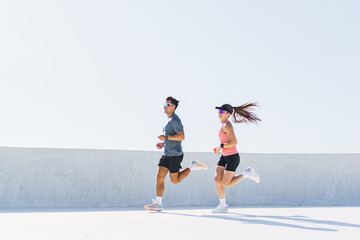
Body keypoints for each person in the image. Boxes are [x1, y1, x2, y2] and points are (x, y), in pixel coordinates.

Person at [144, 96, 208, 212]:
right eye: (165, 104)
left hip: (175, 155)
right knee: (159, 177)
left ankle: (193, 166)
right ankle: (158, 204)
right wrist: (163, 144)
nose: (165, 106)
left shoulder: (175, 120)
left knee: (175, 180)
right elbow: (171, 138)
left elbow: (182, 136)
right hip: (166, 154)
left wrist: (166, 137)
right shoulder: (168, 120)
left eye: (167, 105)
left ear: (173, 107)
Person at [212, 102, 261, 213]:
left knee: (226, 183)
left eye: (222, 112)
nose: (219, 113)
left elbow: (234, 142)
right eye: (219, 111)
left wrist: (221, 146)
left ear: (228, 114)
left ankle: (247, 173)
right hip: (224, 156)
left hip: (232, 157)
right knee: (217, 180)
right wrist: (218, 147)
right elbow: (224, 141)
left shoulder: (227, 126)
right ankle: (223, 206)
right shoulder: (222, 125)